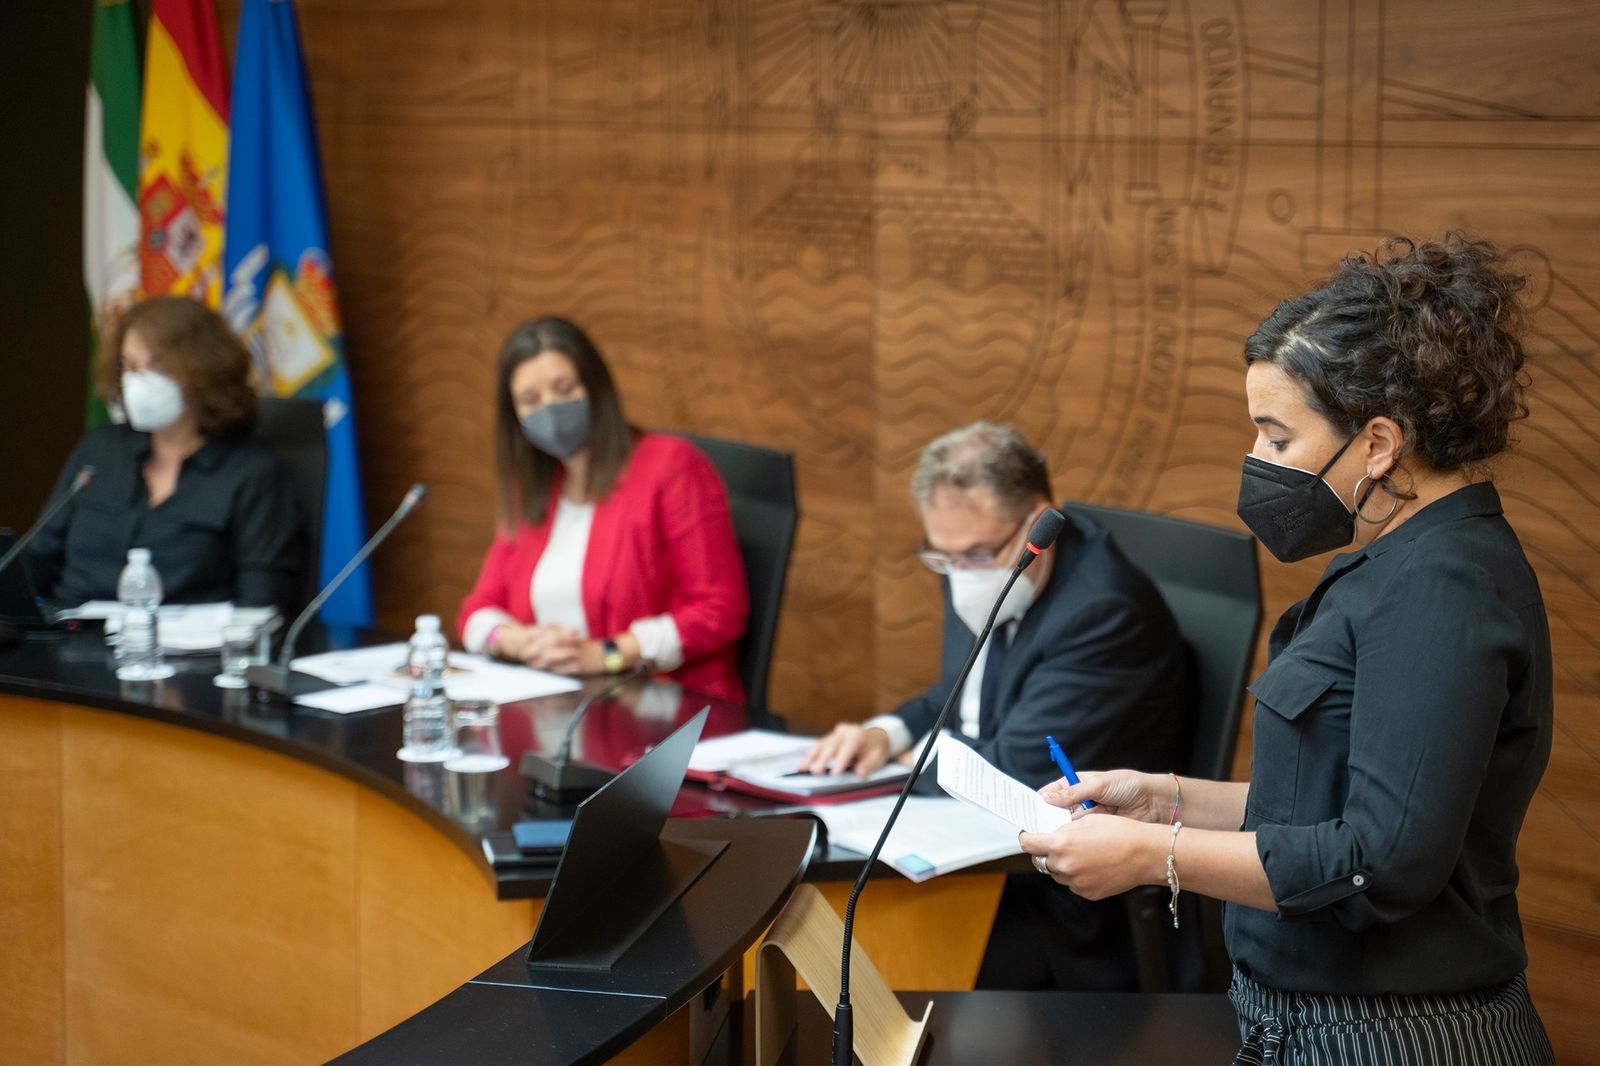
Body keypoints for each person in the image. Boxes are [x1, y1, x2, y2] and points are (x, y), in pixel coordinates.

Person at [1021, 233, 1554, 1063]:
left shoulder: (1442, 589)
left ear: (1378, 444)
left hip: (1395, 1039)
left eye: (1275, 437)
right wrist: (1164, 799)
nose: (1256, 463)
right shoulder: (1391, 562)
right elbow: (1328, 803)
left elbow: (1379, 860)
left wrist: (1151, 858)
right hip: (1313, 1024)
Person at [802, 421, 1191, 990]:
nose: (960, 575)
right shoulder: (976, 564)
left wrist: (889, 774)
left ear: (1039, 523)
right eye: (944, 557)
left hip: (1058, 908)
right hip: (989, 866)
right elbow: (961, 698)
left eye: (977, 554)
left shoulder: (1103, 612)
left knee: (864, 956)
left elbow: (1011, 768)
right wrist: (886, 733)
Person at [457, 317, 749, 702]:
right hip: (559, 705)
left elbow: (720, 609)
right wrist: (519, 642)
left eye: (564, 389)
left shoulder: (671, 468)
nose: (549, 409)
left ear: (596, 387)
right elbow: (476, 612)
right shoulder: (530, 491)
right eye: (530, 401)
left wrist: (605, 655)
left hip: (661, 713)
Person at [24, 296, 301, 613]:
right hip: (68, 640)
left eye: (158, 366)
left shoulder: (253, 472)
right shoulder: (100, 450)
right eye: (129, 367)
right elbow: (37, 561)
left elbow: (262, 603)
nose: (138, 382)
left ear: (205, 371)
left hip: (185, 654)